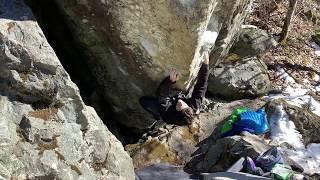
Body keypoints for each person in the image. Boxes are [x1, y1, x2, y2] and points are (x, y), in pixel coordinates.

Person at [157, 51, 210, 125]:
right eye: (184, 105)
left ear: (177, 112)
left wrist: (170, 81)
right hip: (181, 103)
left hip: (166, 108)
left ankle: (157, 116)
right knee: (185, 95)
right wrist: (205, 65)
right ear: (189, 107)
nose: (180, 103)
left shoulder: (168, 115)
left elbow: (162, 96)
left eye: (179, 107)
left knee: (144, 101)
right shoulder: (193, 107)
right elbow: (201, 86)